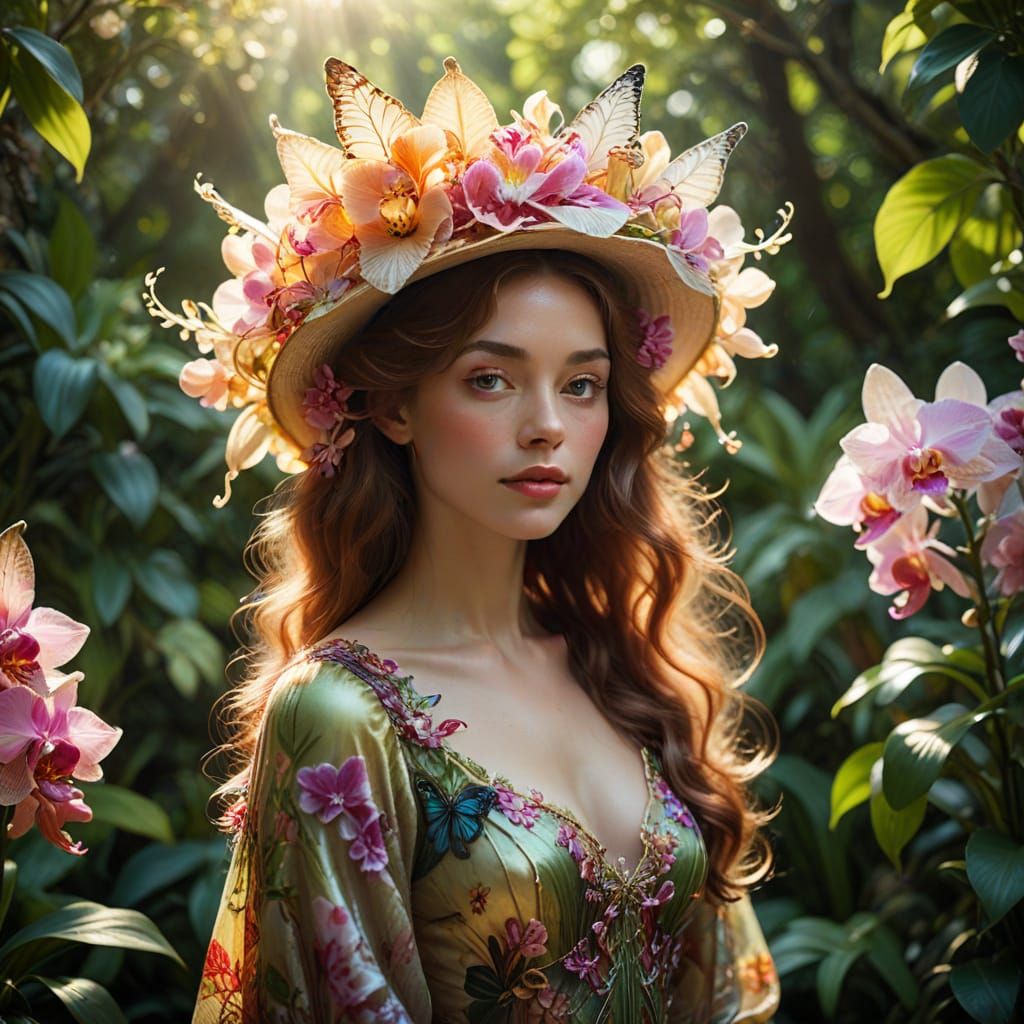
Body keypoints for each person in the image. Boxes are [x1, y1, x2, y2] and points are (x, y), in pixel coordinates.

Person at [149, 53, 793, 1024]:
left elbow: (727, 987)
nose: (548, 427)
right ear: (395, 406)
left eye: (581, 385)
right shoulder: (339, 713)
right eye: (490, 378)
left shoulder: (620, 666)